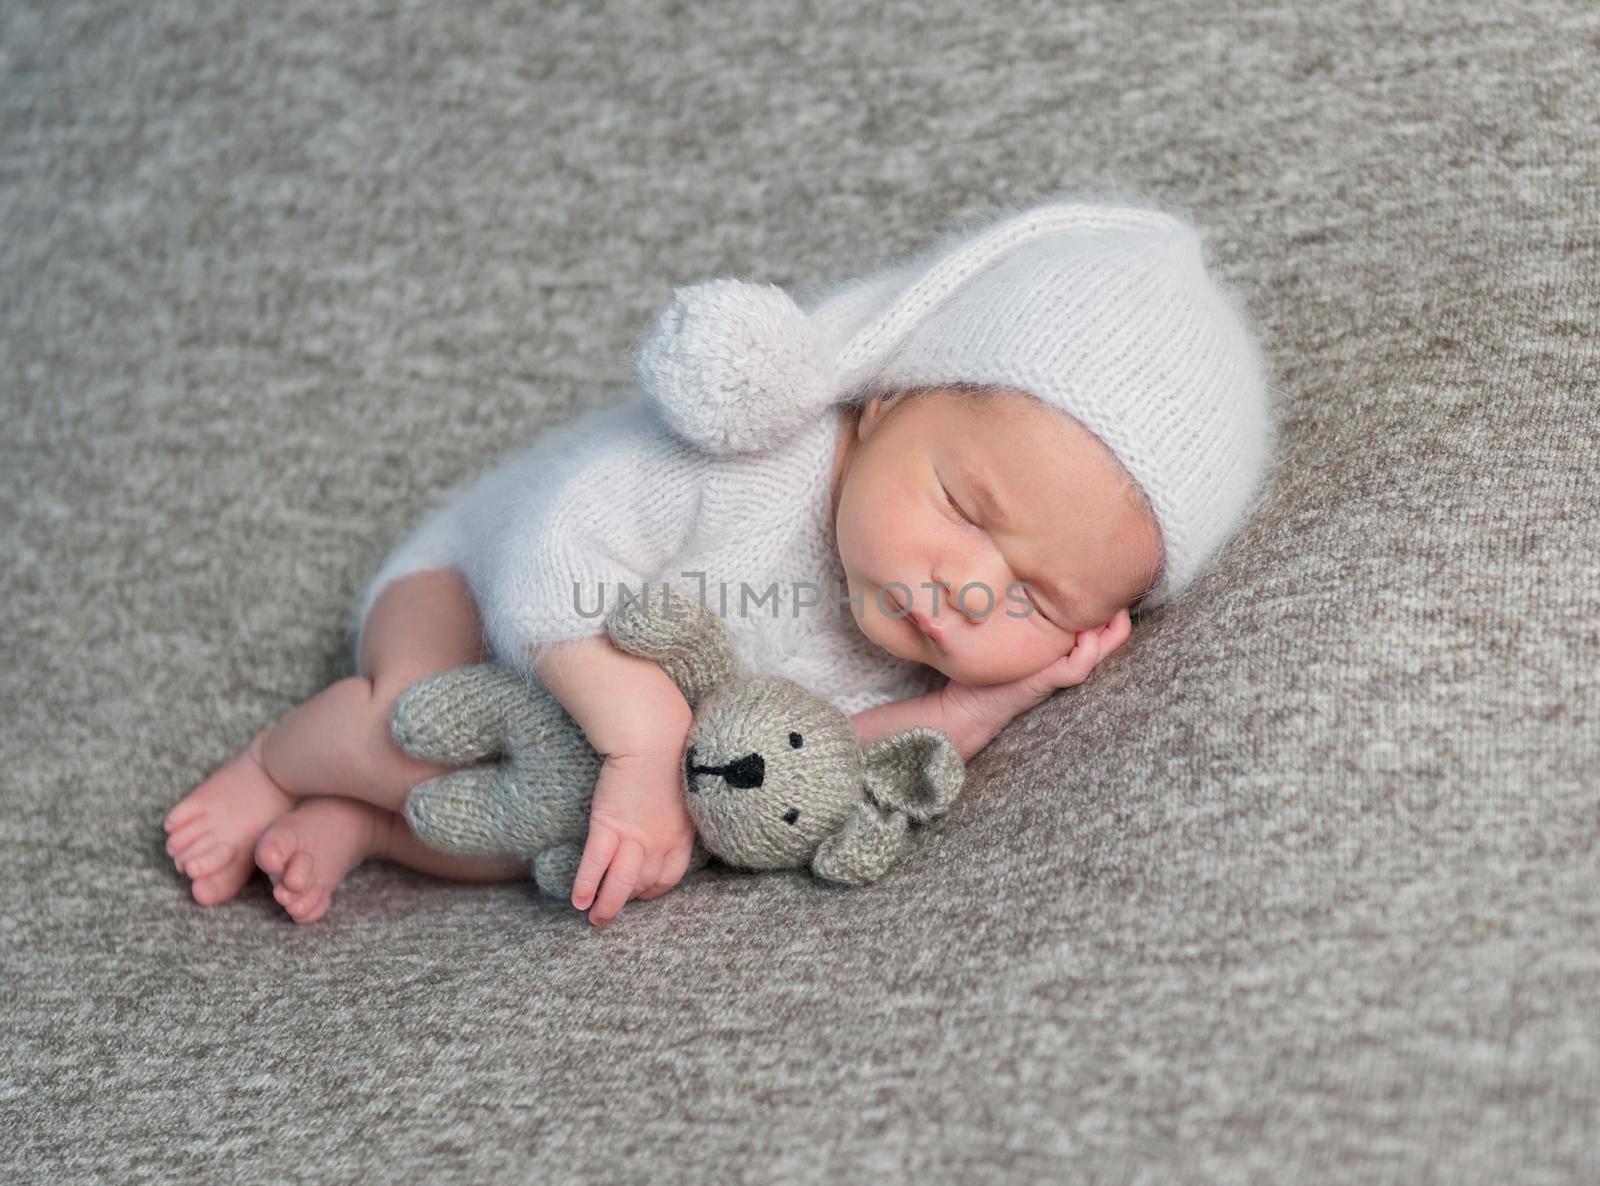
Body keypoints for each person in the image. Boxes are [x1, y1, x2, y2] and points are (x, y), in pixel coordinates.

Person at [163, 196, 1276, 928]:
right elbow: (554, 550)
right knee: (419, 708)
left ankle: (365, 828)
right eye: (963, 504)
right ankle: (277, 763)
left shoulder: (932, 656)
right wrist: (645, 740)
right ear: (886, 400)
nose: (966, 583)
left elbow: (832, 757)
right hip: (473, 585)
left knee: (551, 829)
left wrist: (998, 699)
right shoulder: (759, 457)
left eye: (1034, 596)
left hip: (571, 740)